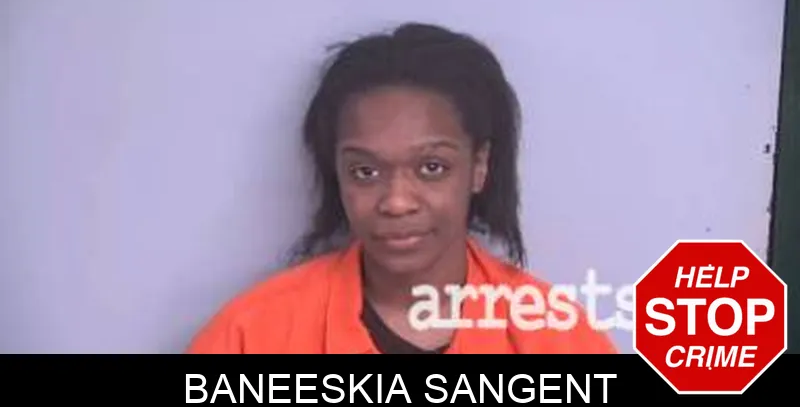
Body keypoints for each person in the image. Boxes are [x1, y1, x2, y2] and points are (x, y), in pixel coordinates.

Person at [187, 22, 616, 354]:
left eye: (431, 167)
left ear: (479, 166)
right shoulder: (251, 335)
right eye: (364, 172)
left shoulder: (558, 339)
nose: (396, 202)